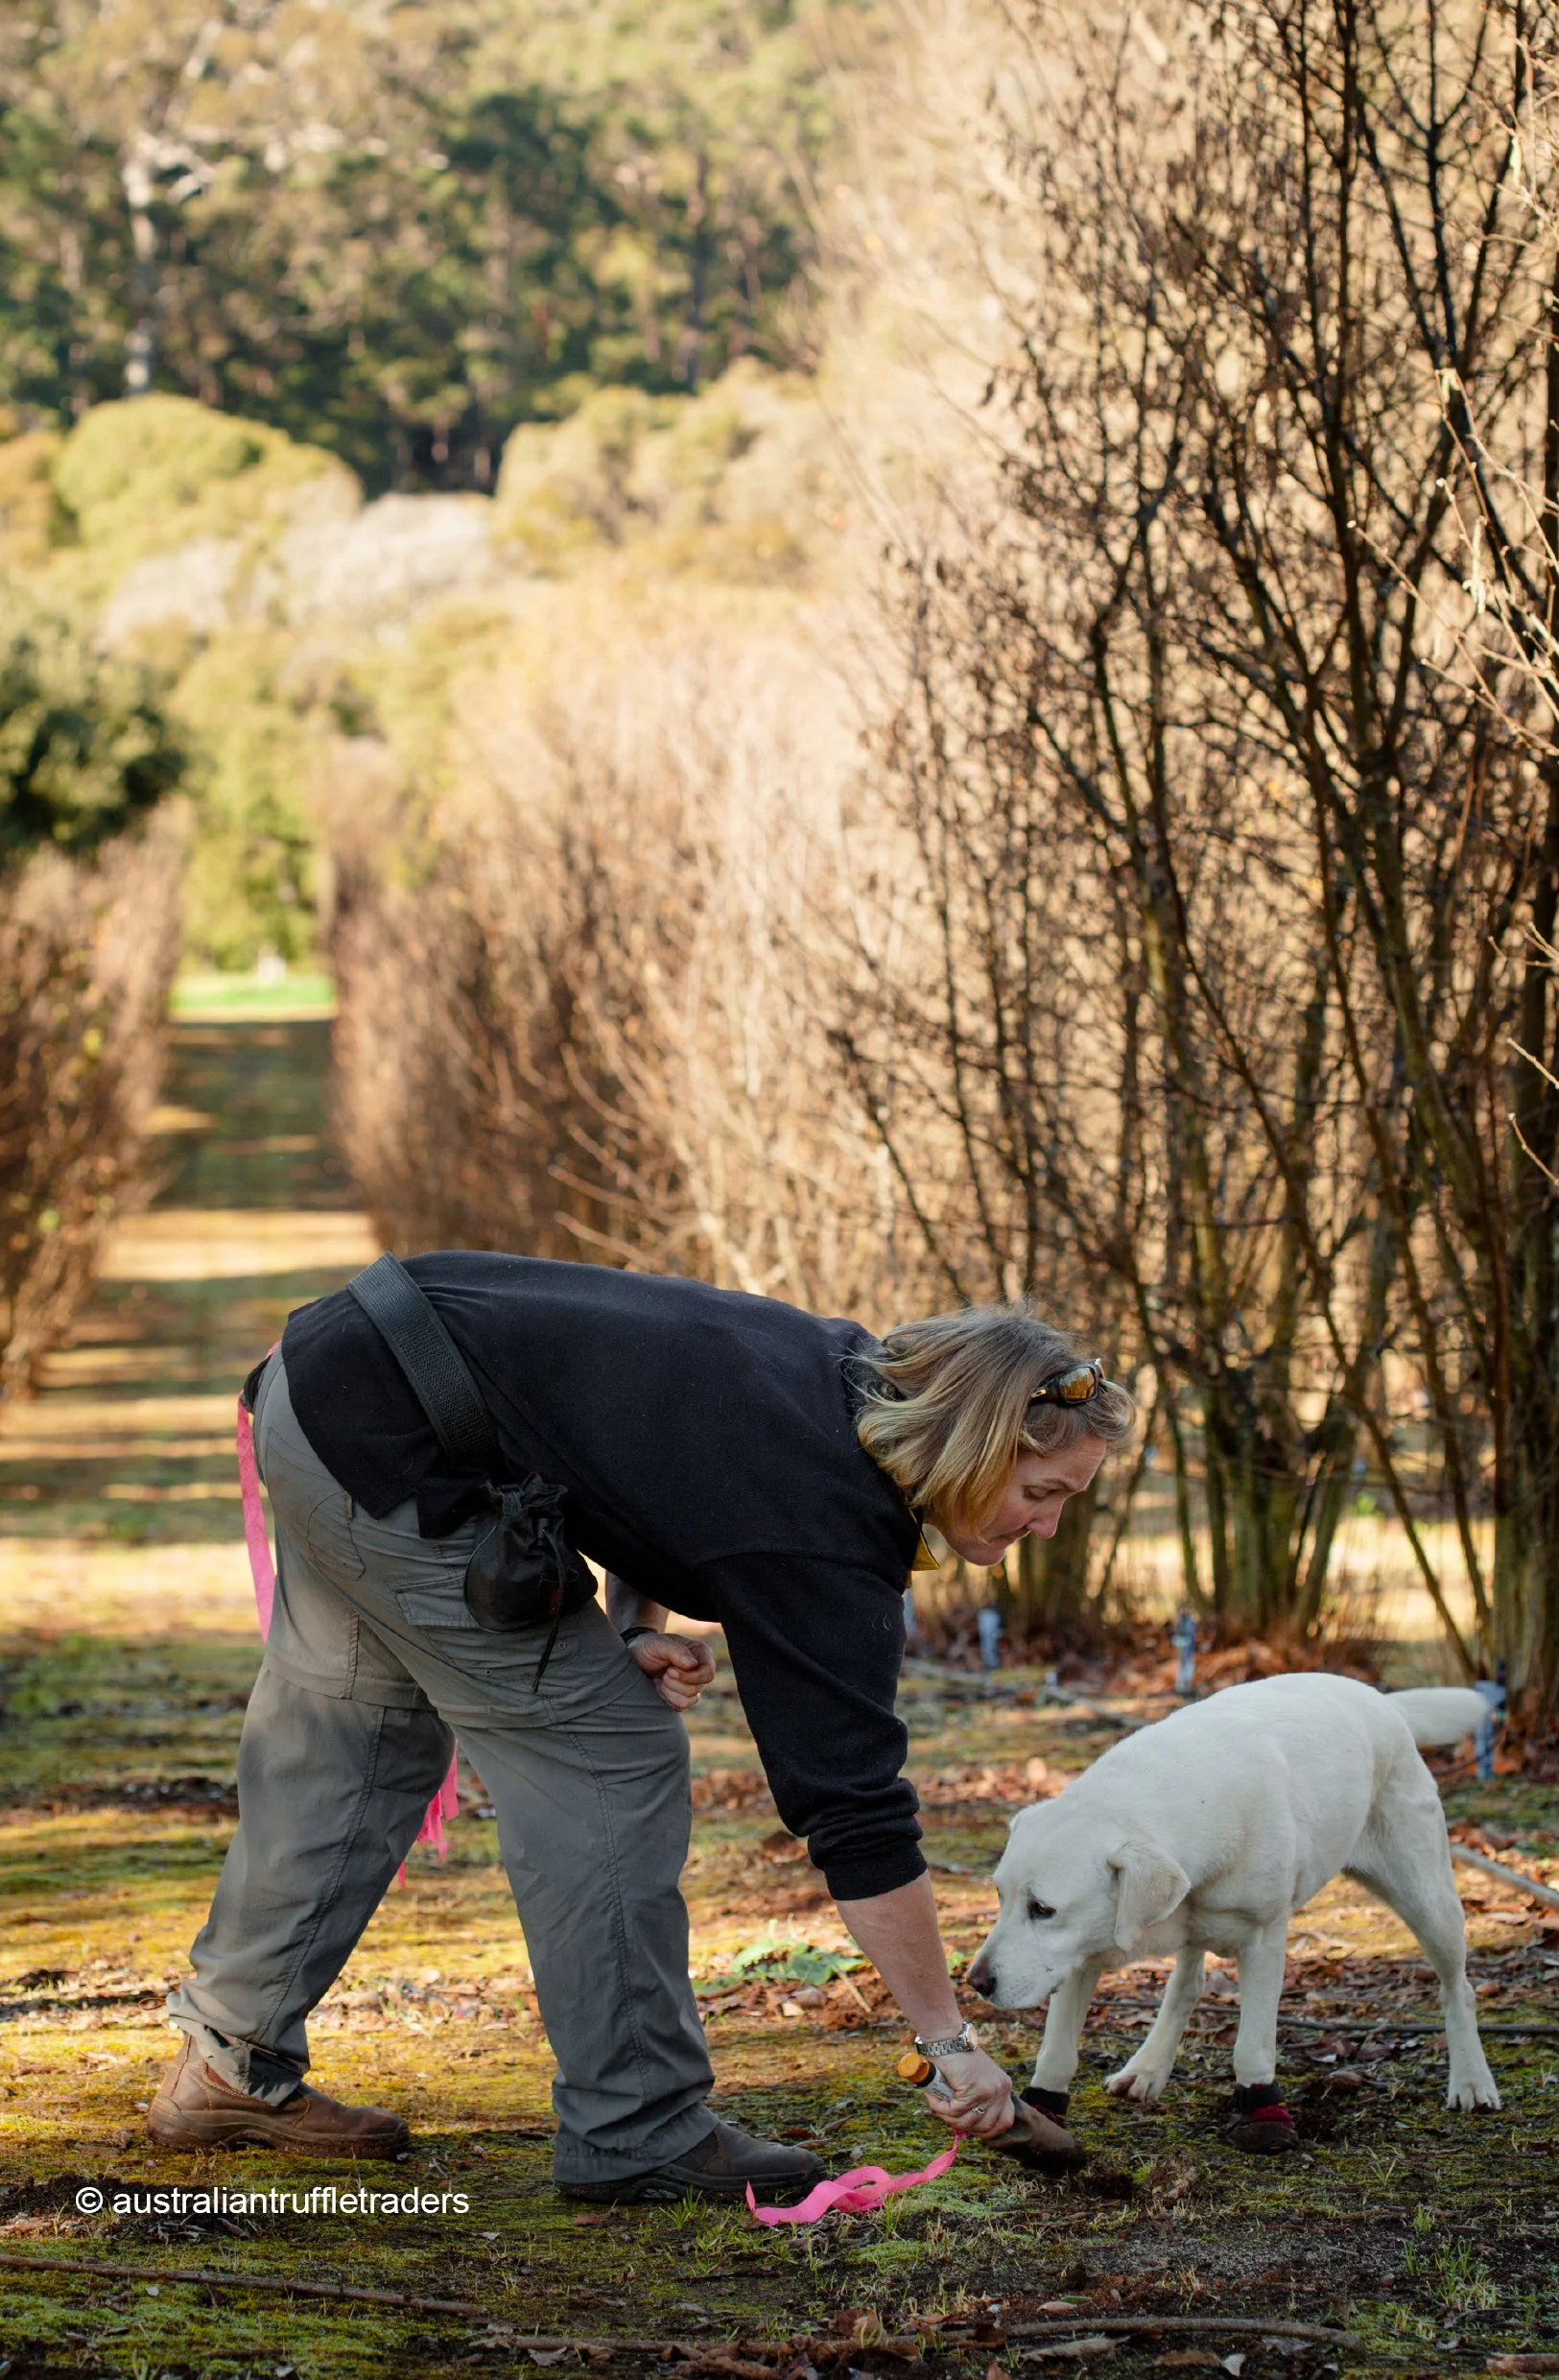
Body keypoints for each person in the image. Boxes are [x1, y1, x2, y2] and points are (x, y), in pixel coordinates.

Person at [148, 1258, 1131, 2202]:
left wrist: (629, 1626)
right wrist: (948, 2040)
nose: (1043, 1526)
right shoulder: (820, 1517)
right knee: (608, 1753)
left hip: (331, 1377)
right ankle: (635, 2126)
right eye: (1039, 1493)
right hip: (397, 1427)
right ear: (968, 1441)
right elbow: (853, 1809)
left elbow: (653, 1465)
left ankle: (232, 2059)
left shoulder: (836, 1379)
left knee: (364, 1729)